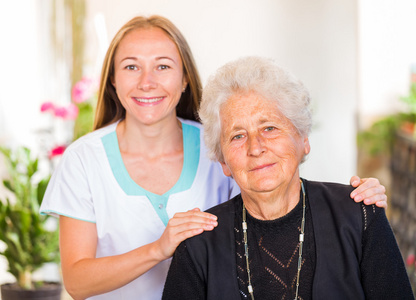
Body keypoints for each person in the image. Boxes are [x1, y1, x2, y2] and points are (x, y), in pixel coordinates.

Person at [39, 16, 388, 300]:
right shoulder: (83, 159)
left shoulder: (218, 144)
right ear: (113, 81)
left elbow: (275, 199)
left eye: (162, 66)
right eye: (131, 67)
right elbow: (77, 281)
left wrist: (358, 203)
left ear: (185, 79)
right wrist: (159, 248)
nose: (147, 82)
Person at [162, 56, 414, 300]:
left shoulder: (359, 217)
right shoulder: (197, 247)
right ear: (223, 162)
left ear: (303, 140)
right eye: (238, 136)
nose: (256, 147)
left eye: (269, 128)